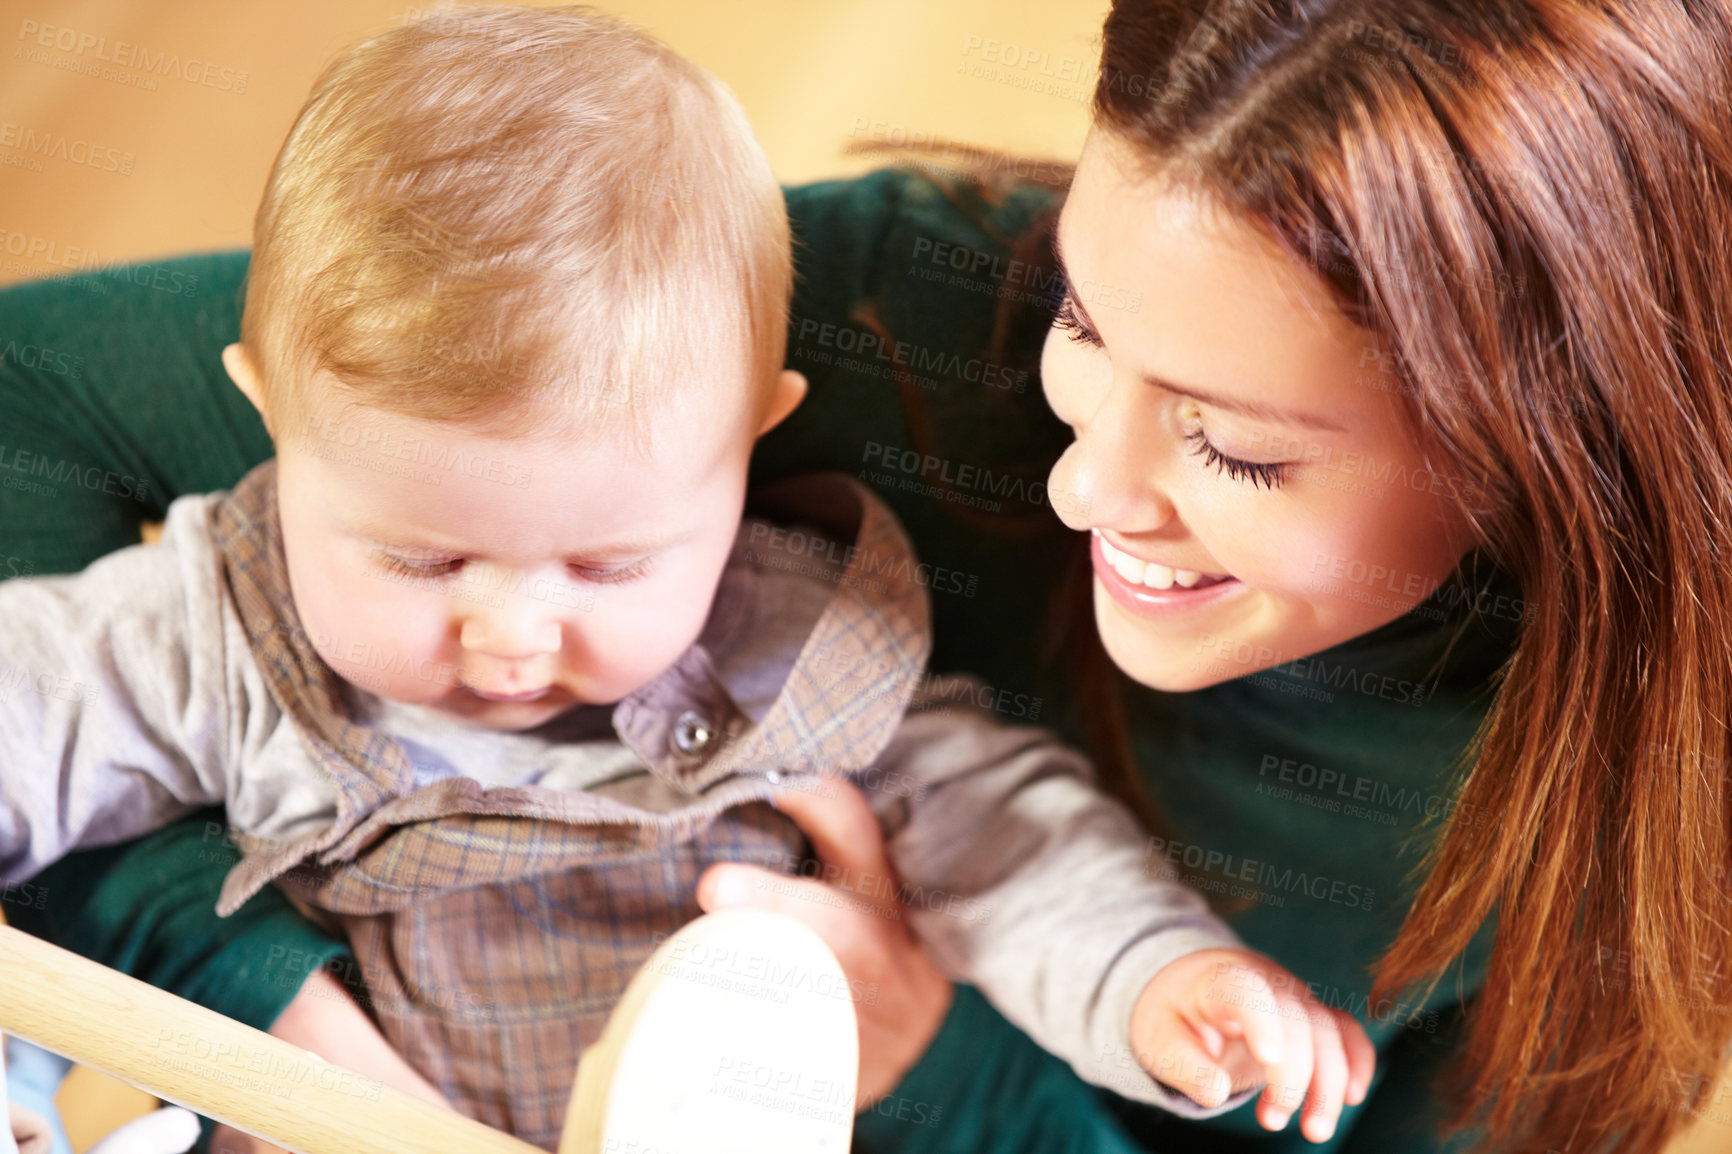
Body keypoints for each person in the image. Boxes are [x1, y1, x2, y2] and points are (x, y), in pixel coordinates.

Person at [0, 5, 1373, 1152]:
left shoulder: (802, 661)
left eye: (612, 562)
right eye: (420, 556)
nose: (516, 626)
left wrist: (1155, 981)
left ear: (749, 448)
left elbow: (1019, 854)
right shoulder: (222, 636)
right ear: (271, 426)